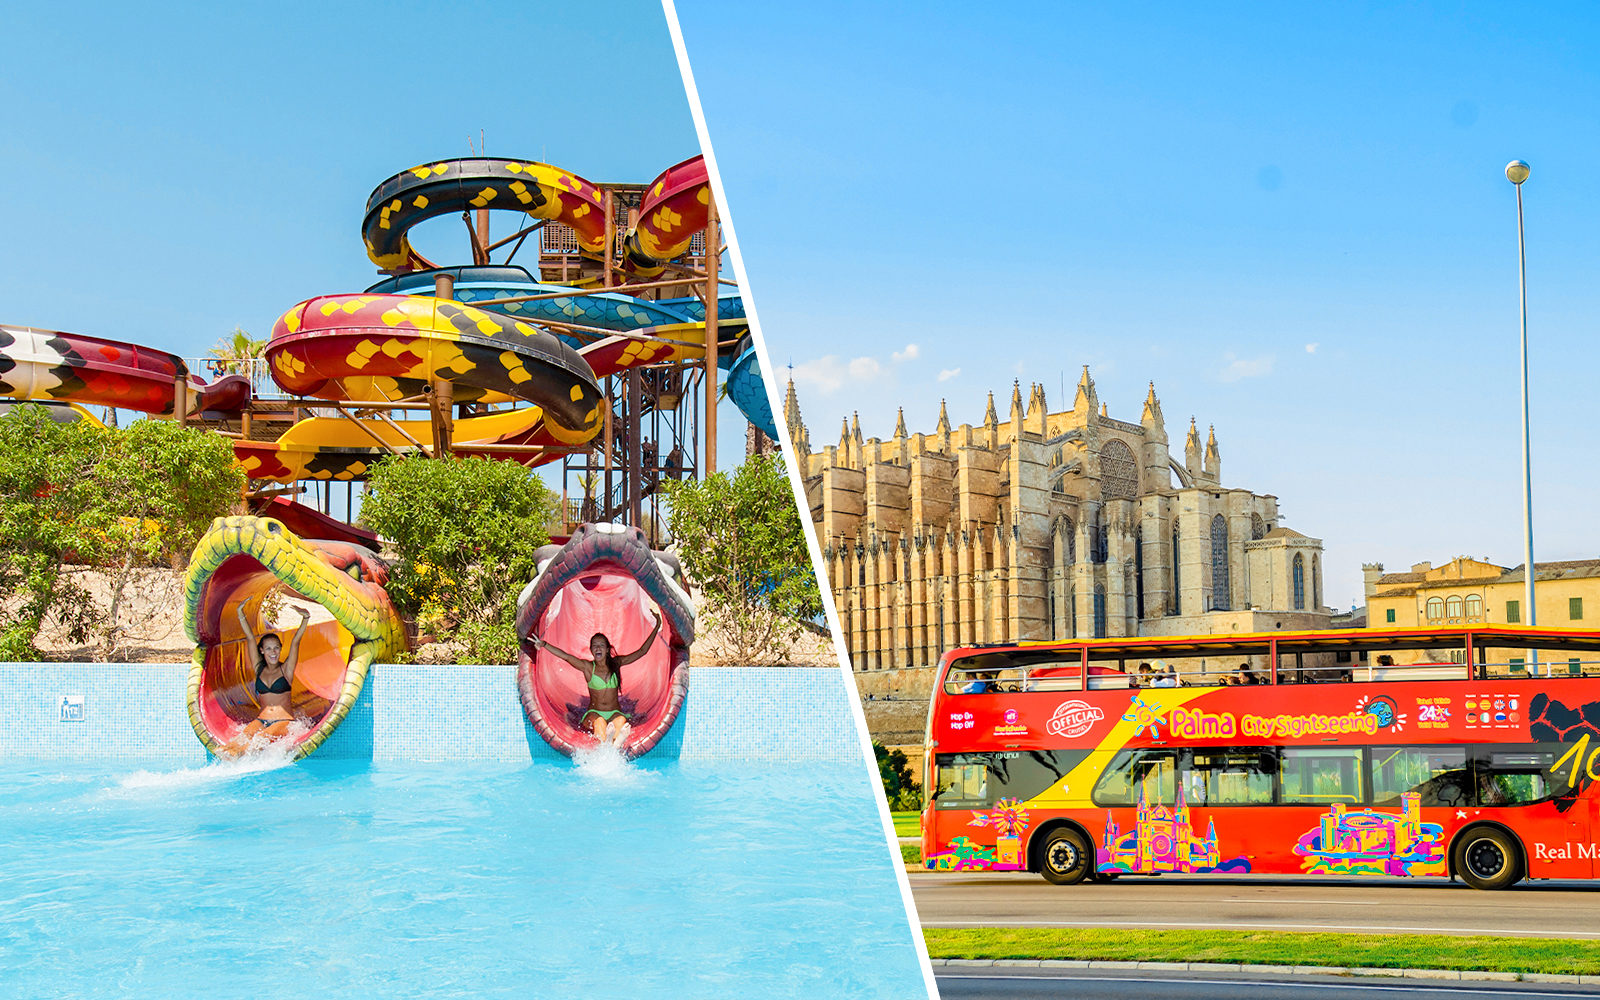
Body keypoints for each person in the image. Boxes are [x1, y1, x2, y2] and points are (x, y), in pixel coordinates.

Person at [530, 610, 662, 747]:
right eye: (594, 645)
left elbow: (642, 652)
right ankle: (611, 742)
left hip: (615, 712)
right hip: (595, 712)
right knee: (599, 722)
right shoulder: (588, 667)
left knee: (621, 720)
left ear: (606, 650)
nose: (598, 648)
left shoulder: (616, 663)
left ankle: (613, 741)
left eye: (601, 645)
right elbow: (566, 656)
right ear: (591, 650)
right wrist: (544, 644)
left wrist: (657, 626)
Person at [225, 597, 311, 754]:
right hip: (261, 719)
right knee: (243, 736)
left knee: (262, 737)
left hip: (283, 721)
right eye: (269, 648)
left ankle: (238, 754)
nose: (273, 652)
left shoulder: (286, 670)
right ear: (262, 651)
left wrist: (305, 618)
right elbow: (250, 639)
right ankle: (229, 752)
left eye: (276, 648)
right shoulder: (259, 669)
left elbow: (295, 643)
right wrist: (240, 614)